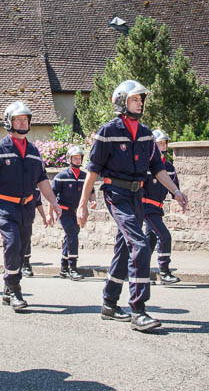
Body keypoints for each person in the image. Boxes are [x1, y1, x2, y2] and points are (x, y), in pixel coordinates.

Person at [77, 80, 188, 332]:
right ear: (121, 102)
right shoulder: (108, 131)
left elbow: (158, 168)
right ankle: (139, 310)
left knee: (124, 249)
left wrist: (176, 191)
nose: (140, 103)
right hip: (116, 194)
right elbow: (92, 170)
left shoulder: (147, 133)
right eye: (135, 99)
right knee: (140, 245)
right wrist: (83, 203)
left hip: (137, 195)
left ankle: (109, 303)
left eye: (141, 99)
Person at [0, 101, 60, 312]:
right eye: (18, 119)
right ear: (9, 122)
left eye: (26, 119)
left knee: (22, 248)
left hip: (26, 209)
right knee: (13, 244)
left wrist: (53, 201)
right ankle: (15, 289)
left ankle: (8, 287)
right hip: (5, 207)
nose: (23, 123)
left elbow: (42, 180)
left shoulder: (34, 151)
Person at [50, 146, 96, 281]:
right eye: (75, 158)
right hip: (63, 211)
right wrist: (49, 214)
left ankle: (64, 268)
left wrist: (92, 202)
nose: (77, 160)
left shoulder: (84, 177)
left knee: (71, 236)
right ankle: (73, 268)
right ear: (69, 159)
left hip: (77, 212)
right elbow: (52, 196)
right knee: (72, 235)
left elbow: (91, 191)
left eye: (79, 158)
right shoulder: (61, 176)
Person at [143, 129, 181, 285]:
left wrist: (179, 197)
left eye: (164, 143)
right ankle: (164, 272)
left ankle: (140, 272)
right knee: (164, 236)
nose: (162, 146)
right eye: (158, 143)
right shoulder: (146, 164)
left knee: (148, 242)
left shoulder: (170, 167)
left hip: (157, 209)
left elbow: (174, 187)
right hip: (145, 208)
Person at [20, 188, 49, 277]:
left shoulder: (36, 191)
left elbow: (38, 203)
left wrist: (44, 217)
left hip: (28, 220)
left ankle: (26, 265)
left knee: (26, 242)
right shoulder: (18, 186)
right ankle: (12, 265)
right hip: (15, 219)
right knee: (13, 242)